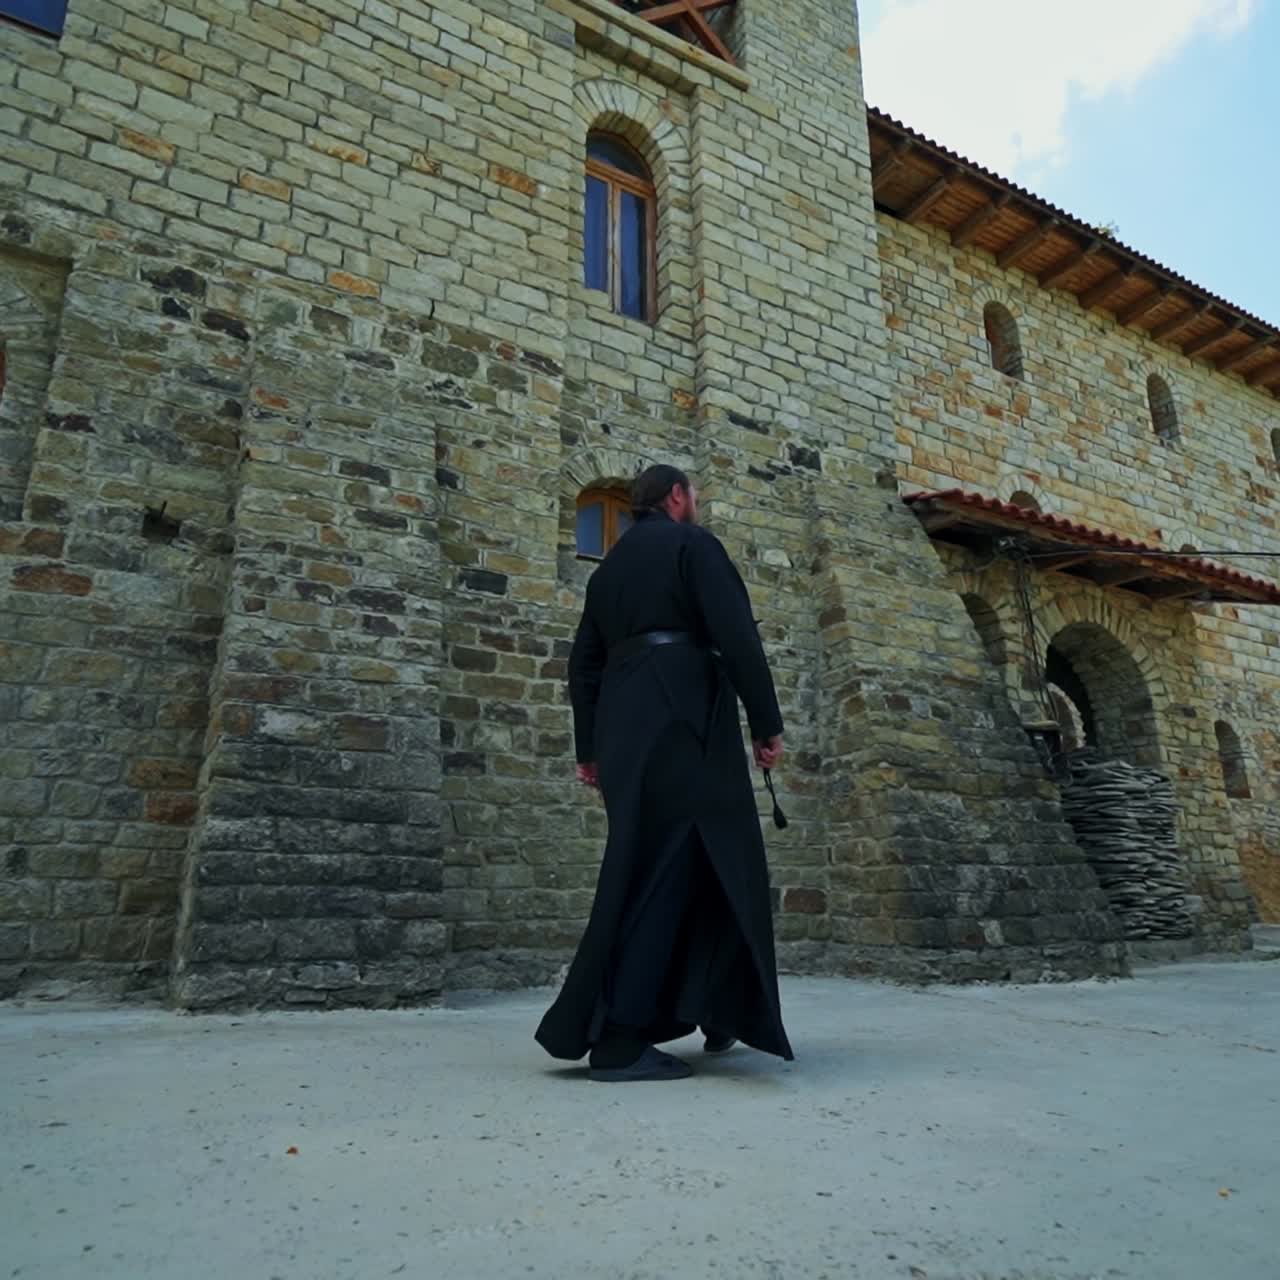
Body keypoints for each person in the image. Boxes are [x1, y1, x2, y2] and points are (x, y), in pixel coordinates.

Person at [535, 464, 794, 1081]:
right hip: (684, 718)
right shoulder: (692, 544)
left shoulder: (609, 571)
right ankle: (622, 1038)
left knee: (680, 860)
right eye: (695, 495)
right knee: (683, 861)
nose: (697, 504)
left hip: (626, 729)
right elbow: (737, 636)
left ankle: (714, 1006)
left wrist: (589, 747)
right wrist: (766, 722)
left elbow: (584, 666)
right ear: (677, 496)